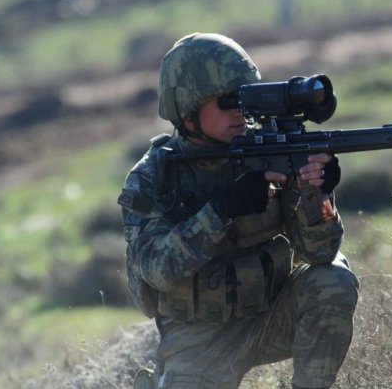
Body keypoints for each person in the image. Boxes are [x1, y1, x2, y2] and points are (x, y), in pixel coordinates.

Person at [118, 32, 359, 389]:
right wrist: (223, 208)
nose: (239, 112)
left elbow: (319, 251)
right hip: (198, 341)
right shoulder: (154, 178)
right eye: (227, 101)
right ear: (188, 110)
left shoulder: (265, 151)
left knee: (333, 280)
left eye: (243, 100)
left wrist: (318, 194)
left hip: (270, 314)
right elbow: (158, 270)